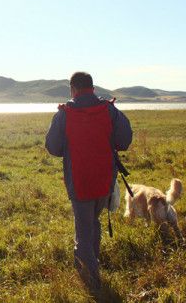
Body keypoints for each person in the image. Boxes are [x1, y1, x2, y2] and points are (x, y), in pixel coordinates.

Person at [45, 71, 132, 295]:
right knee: (93, 221)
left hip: (80, 181)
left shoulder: (65, 114)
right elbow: (124, 141)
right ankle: (91, 266)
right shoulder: (109, 110)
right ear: (92, 88)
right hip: (104, 179)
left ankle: (92, 281)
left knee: (83, 229)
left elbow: (53, 148)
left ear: (73, 89)